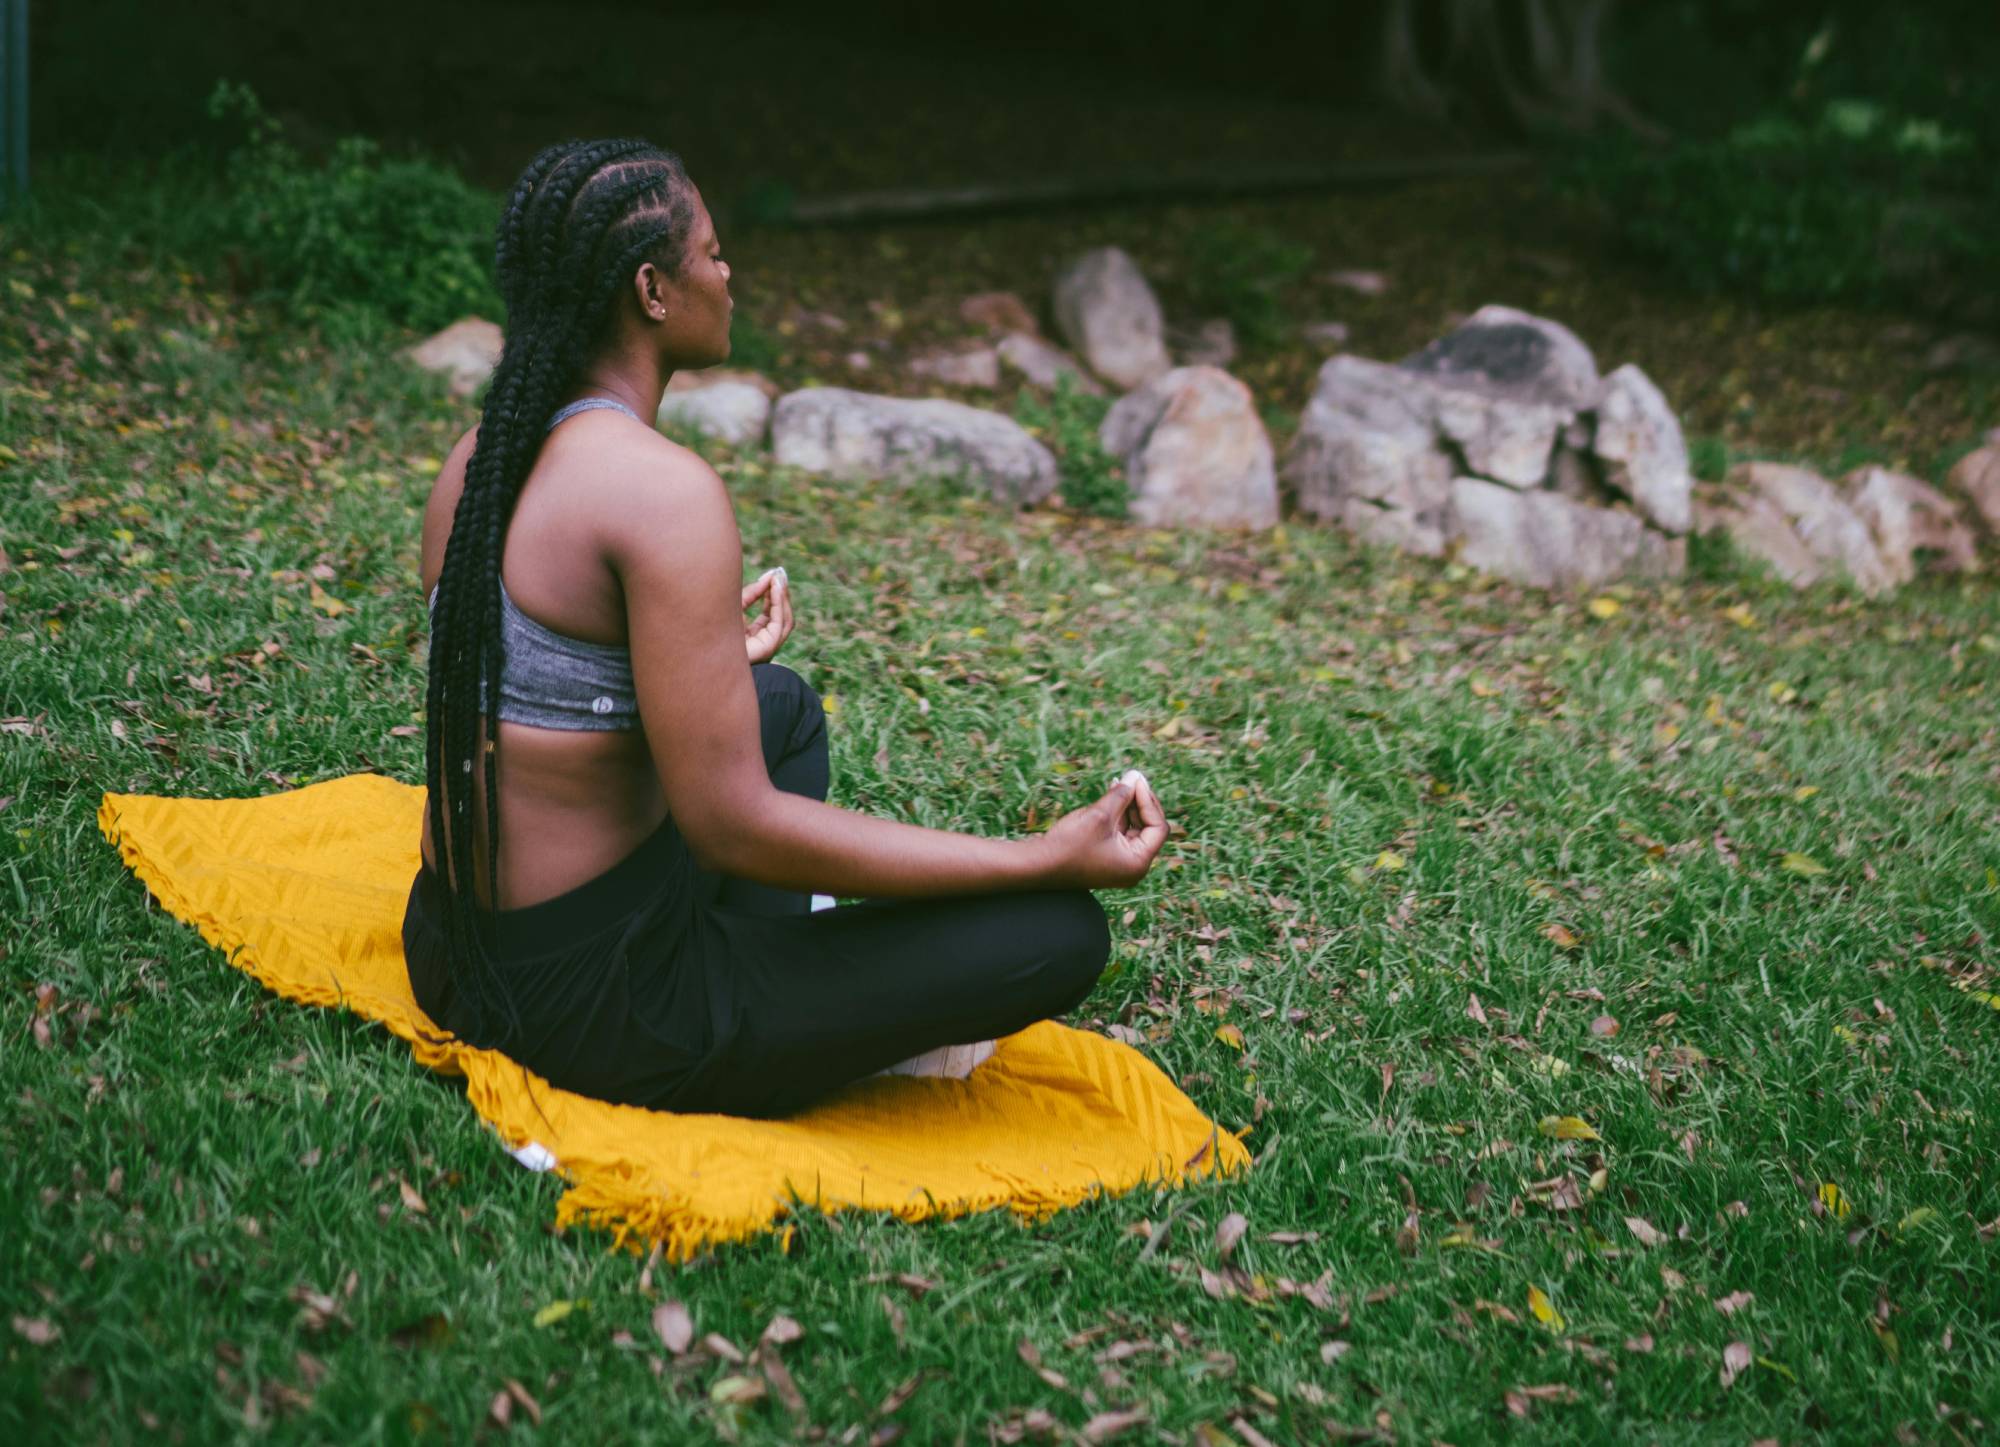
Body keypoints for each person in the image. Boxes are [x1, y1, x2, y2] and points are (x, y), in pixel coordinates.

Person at [399, 138, 1169, 1120]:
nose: (728, 275)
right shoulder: (661, 492)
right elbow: (733, 826)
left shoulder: (480, 455)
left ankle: (776, 984)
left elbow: (514, 684)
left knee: (780, 706)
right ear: (650, 290)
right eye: (711, 254)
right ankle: (764, 1025)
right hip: (595, 1008)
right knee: (1058, 934)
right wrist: (1044, 856)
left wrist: (700, 658)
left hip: (453, 944)